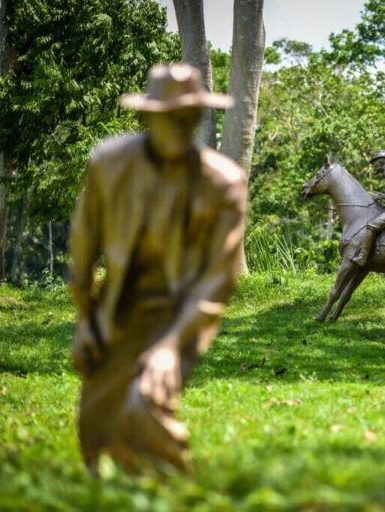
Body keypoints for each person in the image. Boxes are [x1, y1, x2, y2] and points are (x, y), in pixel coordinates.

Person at [68, 63, 247, 473]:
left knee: (145, 400)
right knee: (97, 424)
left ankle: (173, 488)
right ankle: (107, 494)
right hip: (119, 302)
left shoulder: (224, 182)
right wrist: (85, 319)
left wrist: (170, 346)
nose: (181, 126)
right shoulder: (109, 164)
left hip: (182, 309)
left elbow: (220, 276)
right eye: (170, 116)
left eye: (190, 116)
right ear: (149, 115)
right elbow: (84, 243)